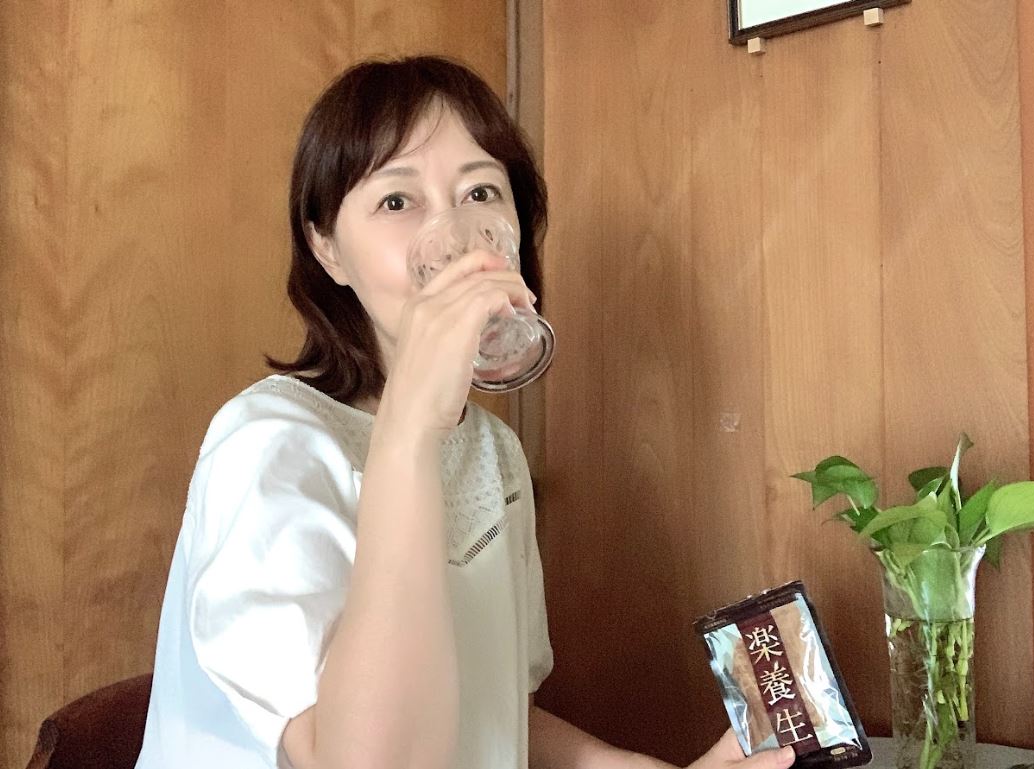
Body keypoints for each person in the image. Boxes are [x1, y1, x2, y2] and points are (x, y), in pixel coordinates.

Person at [134, 55, 799, 769]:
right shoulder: (270, 445)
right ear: (327, 249)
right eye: (397, 201)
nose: (453, 238)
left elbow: (494, 715)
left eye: (481, 192)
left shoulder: (493, 449)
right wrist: (409, 427)